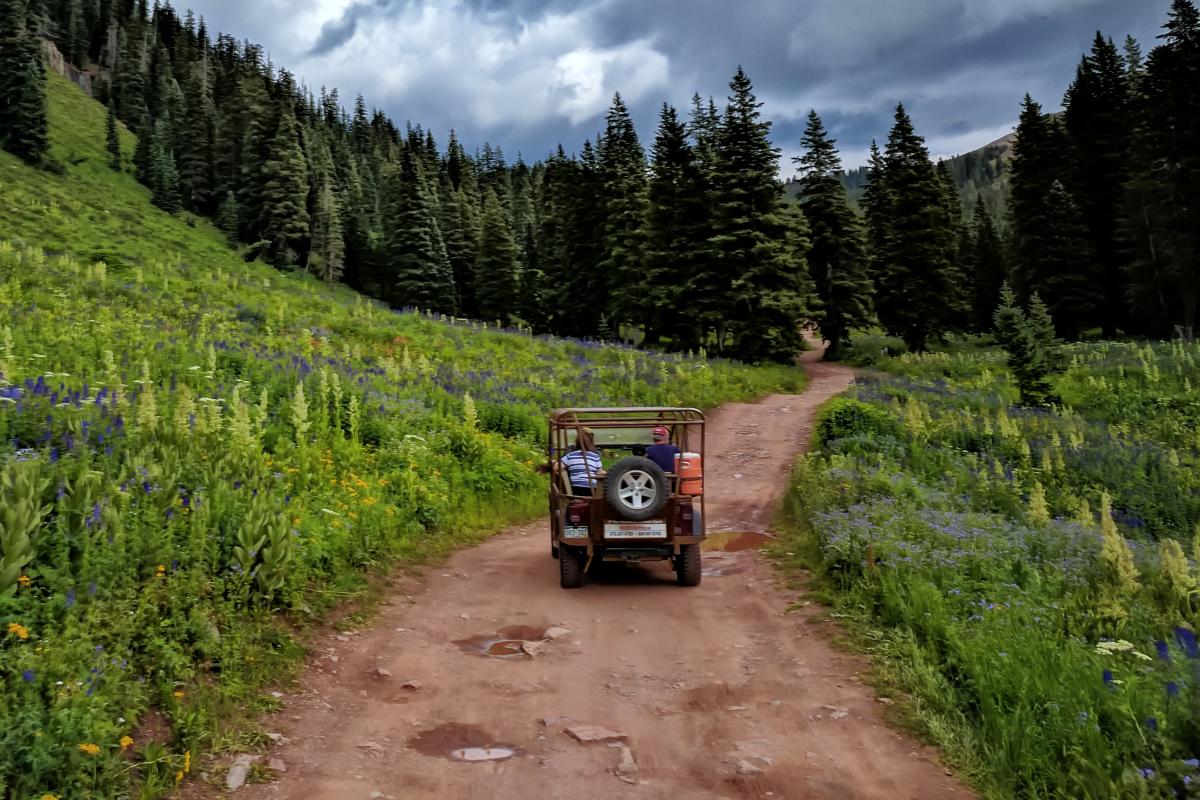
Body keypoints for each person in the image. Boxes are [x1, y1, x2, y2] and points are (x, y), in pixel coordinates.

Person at [557, 427, 605, 495]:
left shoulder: (570, 454)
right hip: (592, 489)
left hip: (575, 488)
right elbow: (600, 472)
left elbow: (557, 466)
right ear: (591, 440)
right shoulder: (595, 455)